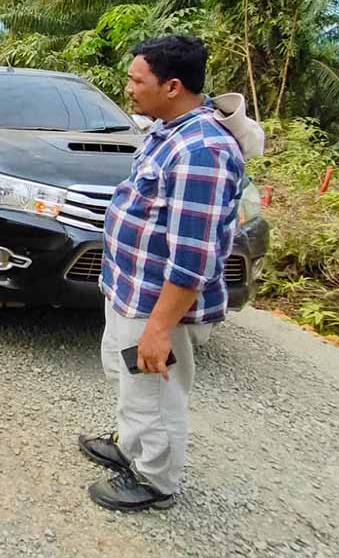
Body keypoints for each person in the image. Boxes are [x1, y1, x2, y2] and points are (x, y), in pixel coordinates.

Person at [80, 35, 245, 511]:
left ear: (172, 86)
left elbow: (193, 256)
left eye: (137, 80)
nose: (128, 88)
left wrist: (159, 327)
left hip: (156, 302)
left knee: (156, 391)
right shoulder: (169, 130)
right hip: (131, 291)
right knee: (132, 381)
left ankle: (155, 481)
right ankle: (132, 448)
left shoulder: (201, 152)